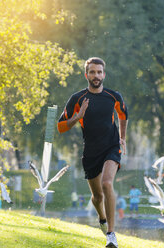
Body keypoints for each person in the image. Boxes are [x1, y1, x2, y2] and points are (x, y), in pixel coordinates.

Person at [57, 57, 128, 248]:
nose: (96, 76)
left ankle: (111, 235)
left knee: (107, 183)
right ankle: (102, 217)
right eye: (92, 72)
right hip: (91, 152)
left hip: (112, 146)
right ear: (86, 74)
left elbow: (123, 115)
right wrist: (78, 117)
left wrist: (123, 137)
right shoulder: (77, 99)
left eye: (99, 72)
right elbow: (61, 127)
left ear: (104, 74)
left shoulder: (114, 96)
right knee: (97, 197)